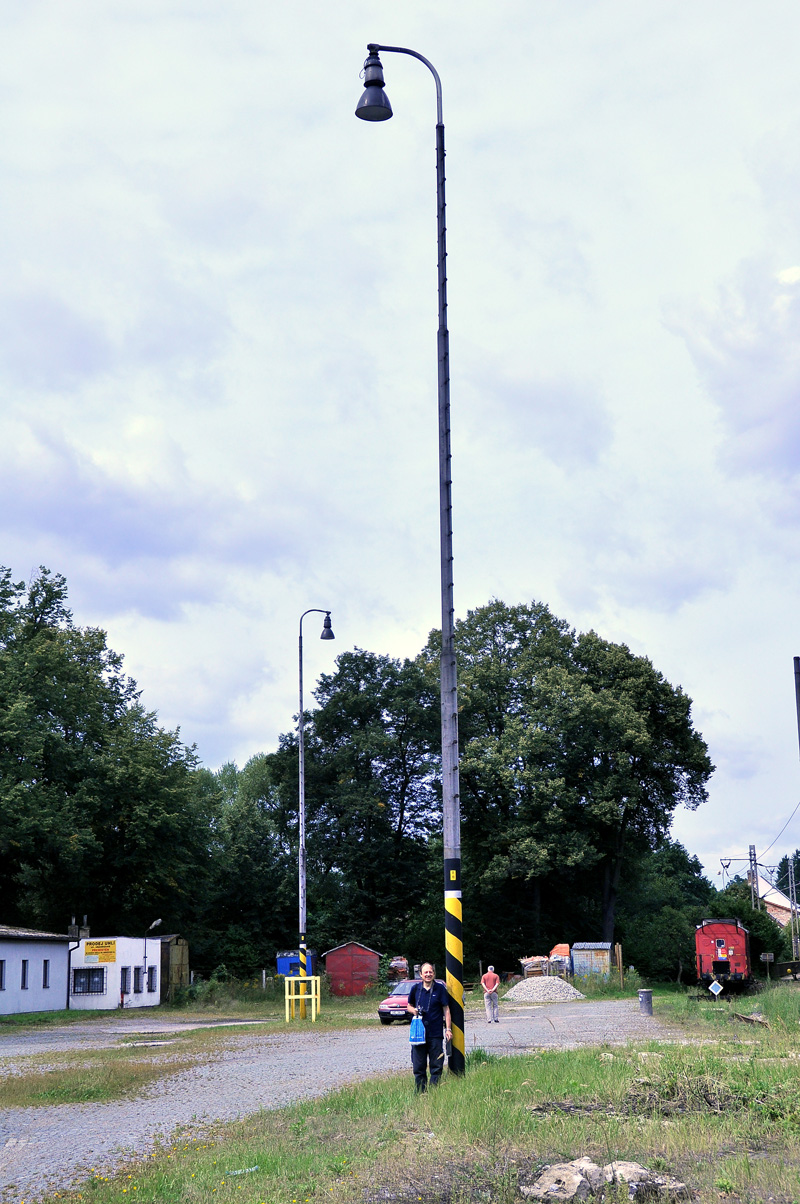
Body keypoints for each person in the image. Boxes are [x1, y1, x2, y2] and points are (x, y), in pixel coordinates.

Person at [406, 962, 452, 1091]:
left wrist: (448, 1029)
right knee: (418, 1065)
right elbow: (408, 1006)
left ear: (434, 974)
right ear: (420, 974)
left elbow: (446, 1010)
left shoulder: (440, 989)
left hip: (435, 1033)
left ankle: (434, 1091)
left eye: (430, 972)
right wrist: (413, 1010)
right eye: (425, 972)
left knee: (436, 1064)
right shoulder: (415, 989)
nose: (428, 974)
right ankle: (420, 1091)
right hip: (419, 1034)